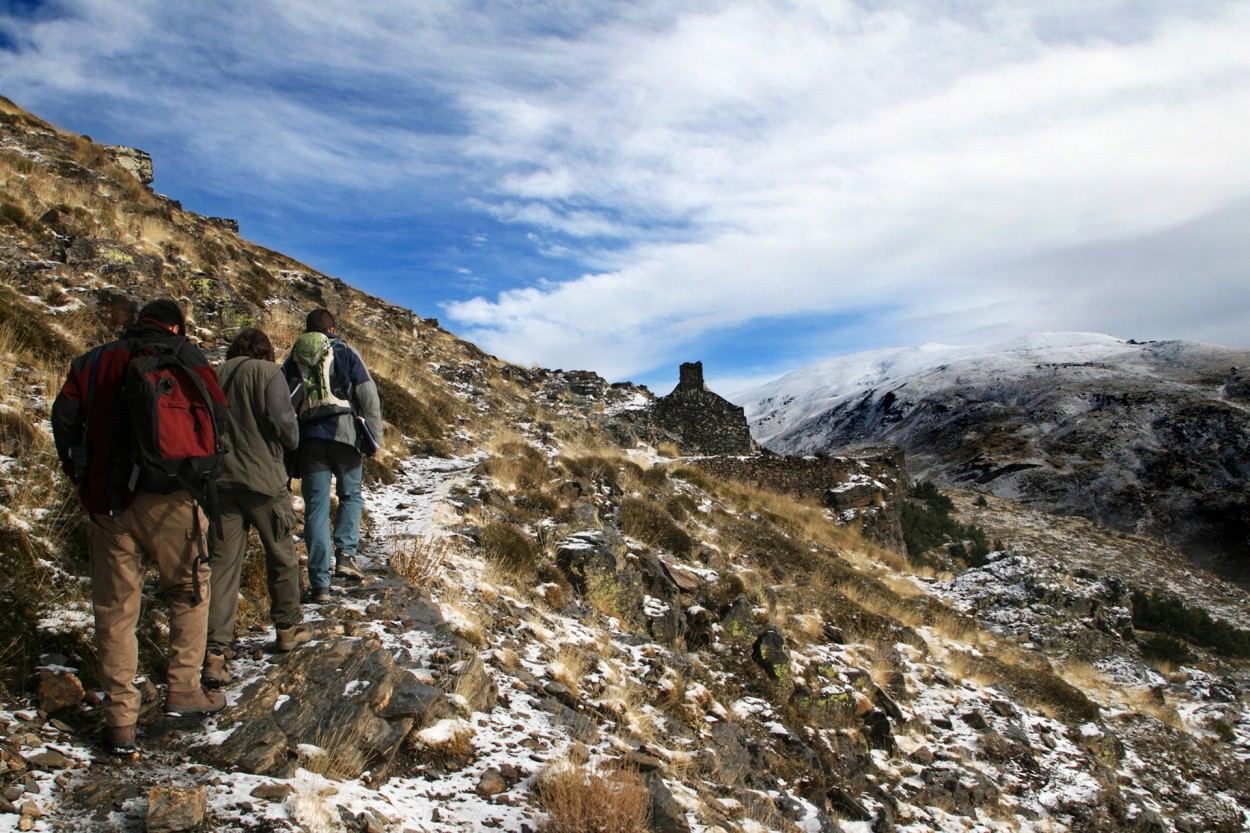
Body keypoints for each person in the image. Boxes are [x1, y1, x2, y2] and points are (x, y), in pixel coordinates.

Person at [51, 298, 225, 757]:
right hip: (173, 498)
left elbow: (64, 422)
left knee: (115, 610)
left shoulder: (92, 361)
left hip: (108, 503)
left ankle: (121, 720)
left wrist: (81, 478)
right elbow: (216, 418)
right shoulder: (186, 357)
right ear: (175, 325)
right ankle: (184, 688)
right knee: (188, 592)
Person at [203, 328, 312, 688]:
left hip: (220, 482)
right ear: (265, 351)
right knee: (281, 554)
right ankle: (288, 628)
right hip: (264, 480)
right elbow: (287, 428)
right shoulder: (269, 373)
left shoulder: (215, 374)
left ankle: (214, 652)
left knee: (222, 565)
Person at [283, 308, 383, 603]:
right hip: (344, 435)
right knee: (350, 495)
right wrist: (375, 439)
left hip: (309, 441)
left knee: (315, 507)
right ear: (333, 328)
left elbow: (281, 401)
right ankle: (345, 556)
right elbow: (368, 395)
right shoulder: (345, 351)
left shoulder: (294, 357)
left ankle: (320, 584)